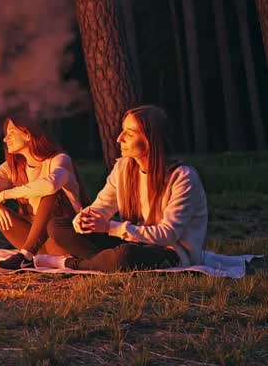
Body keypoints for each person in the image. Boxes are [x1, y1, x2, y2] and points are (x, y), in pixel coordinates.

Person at [42, 105, 208, 272]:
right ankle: (106, 261)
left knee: (125, 255)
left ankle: (72, 263)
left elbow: (168, 235)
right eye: (122, 131)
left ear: (150, 140)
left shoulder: (182, 177)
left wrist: (109, 228)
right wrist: (85, 219)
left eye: (129, 133)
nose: (119, 138)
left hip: (170, 253)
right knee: (57, 226)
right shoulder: (123, 167)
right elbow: (102, 207)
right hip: (131, 242)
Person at [0, 116, 87, 277]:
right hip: (35, 242)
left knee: (51, 192)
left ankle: (26, 257)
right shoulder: (14, 167)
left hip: (63, 240)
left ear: (28, 134)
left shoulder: (59, 160)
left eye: (11, 132)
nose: (5, 138)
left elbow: (50, 184)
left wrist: (3, 195)